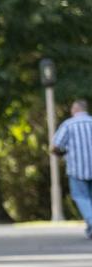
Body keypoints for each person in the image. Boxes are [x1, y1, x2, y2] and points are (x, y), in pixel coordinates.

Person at [53, 99, 92, 239]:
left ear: (75, 109)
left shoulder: (69, 125)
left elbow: (56, 145)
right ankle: (90, 228)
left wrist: (61, 155)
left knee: (81, 197)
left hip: (77, 168)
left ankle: (91, 222)